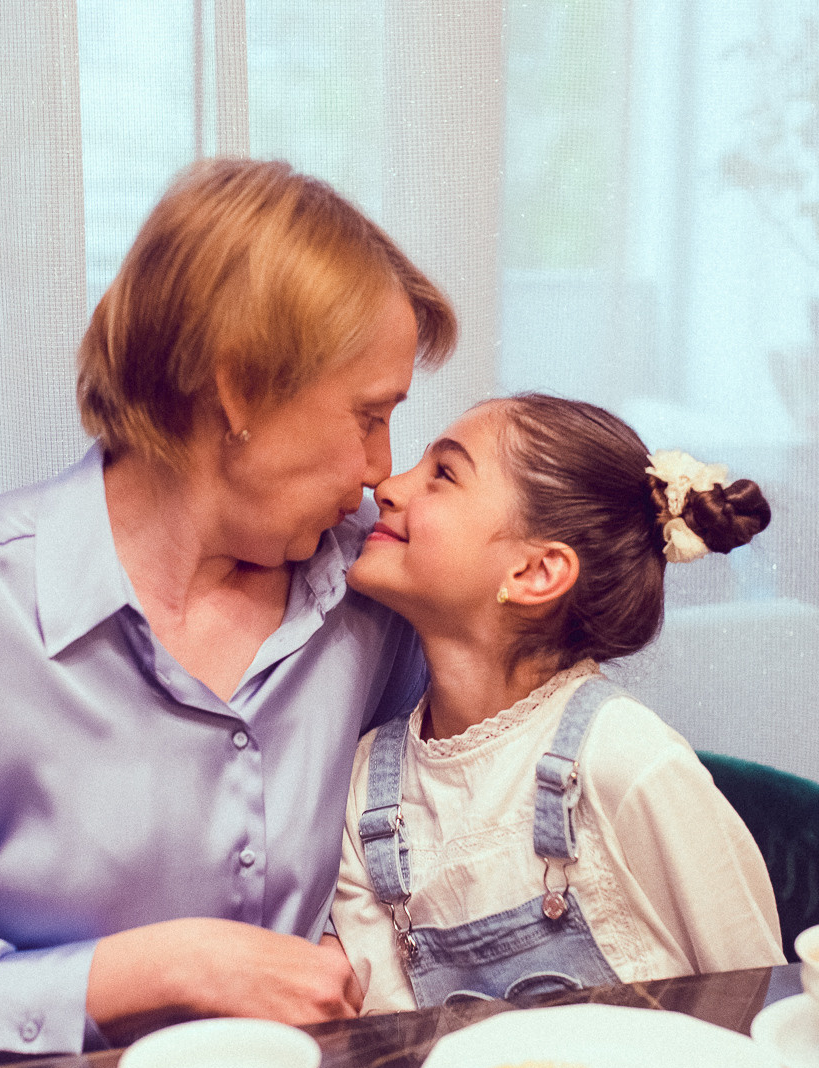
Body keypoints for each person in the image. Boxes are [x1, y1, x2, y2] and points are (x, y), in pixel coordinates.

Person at [0, 159, 456, 1068]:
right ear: (240, 389)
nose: (382, 466)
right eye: (369, 416)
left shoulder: (372, 601)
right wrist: (164, 967)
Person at [328, 393, 783, 1012]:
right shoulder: (366, 794)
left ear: (535, 572)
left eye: (443, 474)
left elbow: (754, 1001)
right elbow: (390, 1050)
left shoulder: (626, 759)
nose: (388, 485)